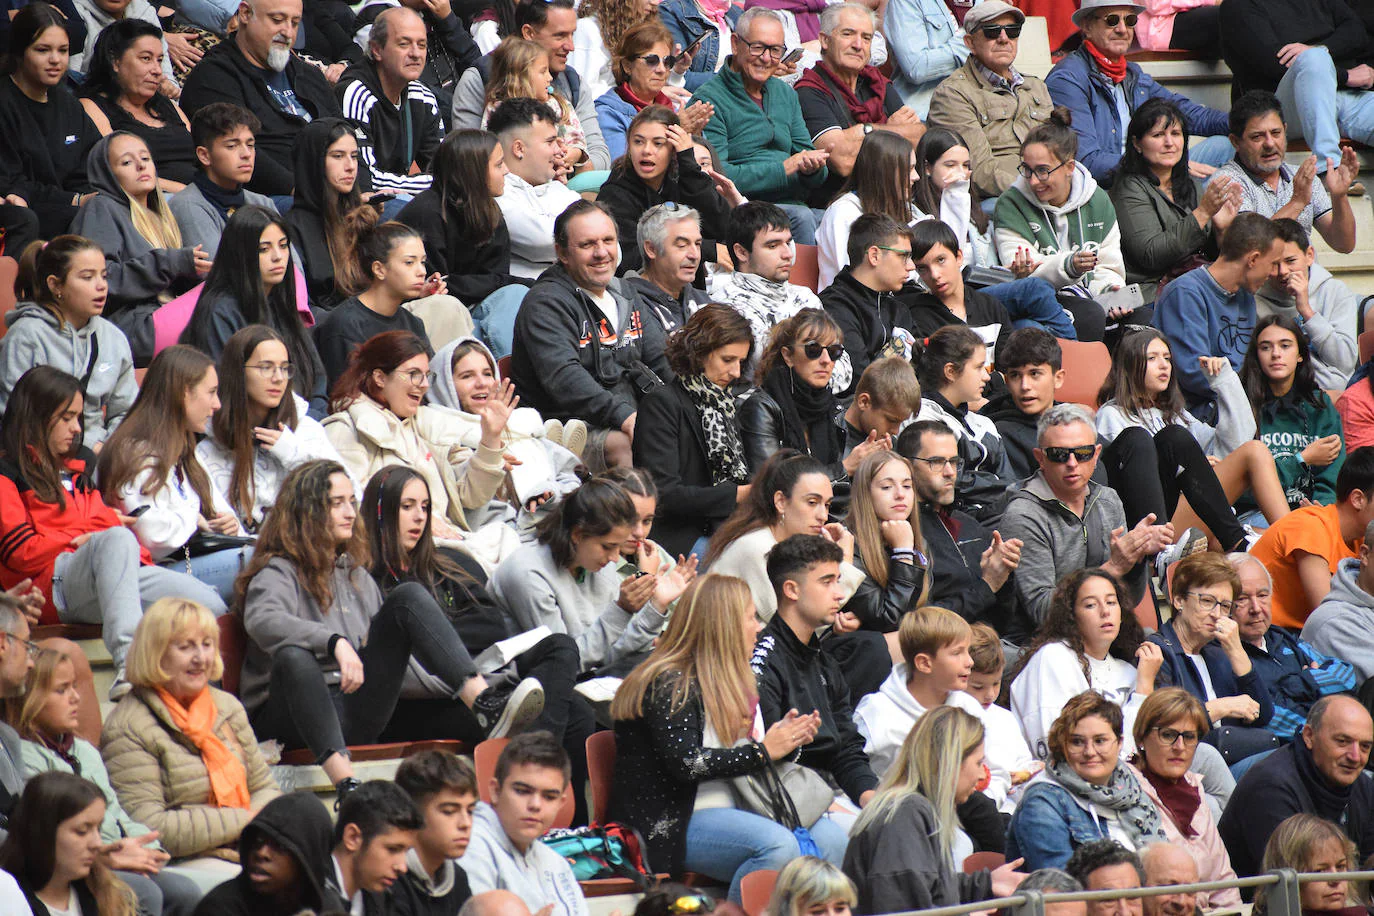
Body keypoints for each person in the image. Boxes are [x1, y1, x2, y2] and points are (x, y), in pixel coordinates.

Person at [238, 459, 541, 793]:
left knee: (407, 596)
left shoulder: (356, 576)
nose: (350, 512)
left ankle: (484, 705)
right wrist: (333, 641)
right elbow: (263, 620)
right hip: (292, 714)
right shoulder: (278, 571)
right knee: (295, 657)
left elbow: (393, 657)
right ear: (307, 511)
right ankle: (346, 785)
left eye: (351, 502)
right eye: (336, 503)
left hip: (355, 708)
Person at [610, 574, 848, 901]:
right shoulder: (669, 682)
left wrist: (787, 743)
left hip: (741, 806)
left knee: (836, 841)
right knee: (777, 846)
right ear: (723, 624)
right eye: (751, 617)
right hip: (671, 820)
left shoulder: (734, 680)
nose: (759, 627)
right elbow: (687, 763)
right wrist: (764, 751)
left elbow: (747, 757)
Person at [360, 464, 592, 789]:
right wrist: (441, 637)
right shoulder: (364, 578)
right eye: (407, 506)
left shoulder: (451, 565)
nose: (419, 517)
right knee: (572, 712)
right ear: (380, 511)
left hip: (484, 680)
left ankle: (559, 811)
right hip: (420, 704)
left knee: (563, 653)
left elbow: (491, 628)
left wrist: (437, 637)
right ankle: (537, 781)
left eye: (425, 507)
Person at [0, 366, 227, 698]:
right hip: (54, 585)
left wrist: (94, 536)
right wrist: (82, 536)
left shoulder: (79, 467)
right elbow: (21, 551)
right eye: (66, 418)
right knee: (117, 537)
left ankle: (204, 709)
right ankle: (129, 664)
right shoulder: (7, 474)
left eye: (78, 417)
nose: (77, 429)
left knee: (208, 605)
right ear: (37, 416)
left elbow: (107, 524)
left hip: (108, 570)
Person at [14, 646, 205, 916]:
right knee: (145, 893)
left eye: (75, 687)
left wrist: (147, 849)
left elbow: (117, 814)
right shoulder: (25, 756)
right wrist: (108, 854)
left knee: (186, 891)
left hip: (120, 855)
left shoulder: (86, 751)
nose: (75, 698)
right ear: (31, 699)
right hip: (80, 865)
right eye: (61, 690)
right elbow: (50, 835)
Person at [100, 597, 280, 860]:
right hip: (186, 860)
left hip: (247, 845)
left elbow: (265, 788)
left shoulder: (227, 706)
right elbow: (149, 827)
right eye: (185, 647)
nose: (200, 658)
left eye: (207, 645)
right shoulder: (128, 728)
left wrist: (250, 825)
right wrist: (246, 822)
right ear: (155, 654)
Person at [322, 331, 513, 560]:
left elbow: (471, 497)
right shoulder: (346, 429)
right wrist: (417, 519)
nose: (423, 385)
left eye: (426, 376)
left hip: (450, 542)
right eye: (413, 374)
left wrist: (490, 440)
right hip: (396, 554)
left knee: (512, 544)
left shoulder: (428, 424)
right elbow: (349, 506)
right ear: (380, 378)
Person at [1095, 329, 1288, 552]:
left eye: (1167, 358)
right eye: (1152, 358)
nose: (1164, 365)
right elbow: (1132, 483)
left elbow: (1236, 444)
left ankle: (1289, 533)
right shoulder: (1112, 415)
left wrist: (1223, 380)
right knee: (1178, 439)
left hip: (1190, 514)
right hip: (1148, 526)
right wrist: (1192, 470)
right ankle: (1272, 536)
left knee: (1254, 450)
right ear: (1129, 366)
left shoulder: (1176, 416)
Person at [999, 403, 1172, 638]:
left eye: (1082, 454)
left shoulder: (1108, 500)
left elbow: (1128, 600)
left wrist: (1136, 558)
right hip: (1043, 646)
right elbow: (1041, 612)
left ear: (1096, 454)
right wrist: (1113, 567)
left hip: (1100, 634)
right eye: (1059, 455)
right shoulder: (1023, 515)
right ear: (1040, 458)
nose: (1072, 463)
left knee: (1159, 648)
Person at [96, 346, 251, 606]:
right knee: (260, 562)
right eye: (211, 393)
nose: (217, 404)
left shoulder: (187, 451)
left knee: (278, 559)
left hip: (191, 562)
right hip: (153, 575)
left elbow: (222, 512)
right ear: (183, 393)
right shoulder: (132, 450)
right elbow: (151, 534)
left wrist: (229, 525)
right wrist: (194, 518)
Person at [491, 477, 695, 676]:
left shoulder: (596, 565)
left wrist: (656, 606)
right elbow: (564, 665)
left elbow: (610, 654)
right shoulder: (528, 574)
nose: (615, 558)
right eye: (608, 547)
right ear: (578, 535)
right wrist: (622, 610)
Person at [507, 200, 673, 434]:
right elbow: (565, 379)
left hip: (633, 414)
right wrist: (626, 419)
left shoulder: (626, 293)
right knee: (628, 444)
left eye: (608, 240)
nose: (601, 253)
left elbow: (663, 360)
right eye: (587, 244)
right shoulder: (545, 303)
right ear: (562, 253)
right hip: (569, 429)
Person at [844, 706, 1026, 911]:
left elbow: (929, 889)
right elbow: (904, 907)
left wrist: (987, 883)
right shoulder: (904, 817)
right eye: (978, 763)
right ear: (950, 763)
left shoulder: (913, 810)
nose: (983, 776)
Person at [1042, 0, 1229, 185]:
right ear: (1087, 26)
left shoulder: (1132, 74)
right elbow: (1087, 162)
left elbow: (1186, 112)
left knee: (1226, 145)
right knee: (1213, 185)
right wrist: (1159, 166)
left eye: (1130, 20)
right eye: (1112, 20)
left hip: (1148, 169)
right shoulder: (1068, 79)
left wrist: (1243, 122)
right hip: (1113, 187)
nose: (1122, 29)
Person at [753, 534, 881, 803]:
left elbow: (846, 746)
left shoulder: (824, 660)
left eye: (837, 580)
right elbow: (769, 758)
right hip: (785, 797)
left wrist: (869, 796)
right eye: (827, 582)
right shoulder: (762, 661)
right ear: (791, 590)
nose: (840, 593)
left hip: (830, 793)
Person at [689, 7, 829, 243]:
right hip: (744, 210)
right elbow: (719, 176)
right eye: (758, 47)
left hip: (793, 204)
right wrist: (783, 169)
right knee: (802, 218)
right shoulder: (709, 100)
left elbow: (813, 165)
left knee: (841, 220)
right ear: (735, 43)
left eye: (775, 50)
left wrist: (812, 167)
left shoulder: (786, 94)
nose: (766, 58)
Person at [179, 0, 345, 197]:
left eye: (294, 23)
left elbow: (345, 135)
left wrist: (362, 191)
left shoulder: (310, 74)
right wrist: (306, 193)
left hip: (335, 191)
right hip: (272, 199)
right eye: (277, 20)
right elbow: (237, 156)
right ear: (245, 13)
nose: (288, 33)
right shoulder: (212, 77)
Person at [71, 131, 212, 361]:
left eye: (145, 159)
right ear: (108, 174)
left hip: (163, 315)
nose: (140, 166)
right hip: (131, 328)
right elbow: (101, 280)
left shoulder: (161, 217)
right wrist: (169, 262)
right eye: (126, 162)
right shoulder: (101, 208)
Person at [395, 128, 532, 358]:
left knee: (515, 295)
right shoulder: (426, 213)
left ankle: (512, 379)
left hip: (475, 308)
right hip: (428, 318)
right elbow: (435, 287)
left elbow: (496, 279)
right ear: (474, 172)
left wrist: (489, 283)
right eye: (499, 165)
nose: (507, 171)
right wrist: (485, 283)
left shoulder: (488, 210)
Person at [179, 205, 328, 415]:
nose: (278, 257)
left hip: (301, 426)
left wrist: (317, 422)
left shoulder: (281, 302)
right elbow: (228, 395)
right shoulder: (219, 312)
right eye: (264, 249)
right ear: (241, 254)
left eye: (283, 246)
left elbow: (316, 377)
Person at [196, 325, 345, 533]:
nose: (278, 378)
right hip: (242, 558)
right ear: (238, 372)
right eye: (265, 367)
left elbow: (351, 497)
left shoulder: (305, 430)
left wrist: (294, 454)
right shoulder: (208, 449)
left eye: (284, 368)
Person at [633, 304, 752, 557]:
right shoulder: (662, 403)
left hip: (729, 528)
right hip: (682, 537)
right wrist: (739, 495)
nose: (736, 372)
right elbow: (663, 494)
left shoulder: (729, 402)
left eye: (741, 362)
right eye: (727, 360)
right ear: (698, 352)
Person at [0, 235, 138, 451]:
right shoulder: (26, 336)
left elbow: (126, 411)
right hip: (42, 456)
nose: (101, 286)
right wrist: (83, 452)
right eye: (87, 277)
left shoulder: (113, 337)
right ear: (56, 285)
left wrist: (109, 450)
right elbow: (15, 416)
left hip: (104, 454)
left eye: (103, 276)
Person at [1009, 568, 1159, 760]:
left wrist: (1144, 686)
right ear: (1072, 616)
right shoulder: (1053, 658)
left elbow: (1145, 750)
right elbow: (1055, 751)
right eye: (1090, 605)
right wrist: (1143, 690)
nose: (1105, 612)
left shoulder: (1131, 672)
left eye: (1111, 602)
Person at [1007, 691, 1168, 870]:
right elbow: (1061, 886)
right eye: (1077, 742)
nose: (1089, 752)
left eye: (1100, 741)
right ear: (1063, 745)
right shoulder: (1042, 802)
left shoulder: (1131, 787)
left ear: (1120, 742)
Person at [1217, 0, 1374, 183]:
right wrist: (1344, 75)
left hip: (1344, 98)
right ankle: (1330, 167)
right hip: (1281, 108)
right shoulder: (1237, 6)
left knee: (1315, 56)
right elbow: (1272, 64)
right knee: (1312, 58)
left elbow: (1358, 33)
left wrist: (1322, 49)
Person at [1218, 695, 1374, 877]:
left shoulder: (1363, 786)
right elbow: (1296, 885)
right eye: (1342, 741)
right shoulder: (1270, 787)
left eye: (1365, 746)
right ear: (1309, 736)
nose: (1355, 757)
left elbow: (1367, 871)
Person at [450, 0, 611, 173]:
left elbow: (600, 156)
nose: (571, 46)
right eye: (560, 36)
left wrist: (571, 160)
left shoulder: (573, 83)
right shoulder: (480, 80)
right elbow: (468, 159)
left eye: (572, 35)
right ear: (528, 33)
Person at [1110, 98, 1242, 305]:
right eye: (1158, 135)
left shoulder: (1188, 183)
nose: (1169, 143)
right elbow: (1151, 254)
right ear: (1137, 144)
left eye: (1176, 134)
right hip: (1153, 294)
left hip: (1195, 283)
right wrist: (1203, 213)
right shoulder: (1129, 188)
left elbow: (1210, 255)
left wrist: (1223, 230)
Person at [992, 110, 1128, 309]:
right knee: (1091, 313)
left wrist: (1110, 294)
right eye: (1027, 169)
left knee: (1142, 317)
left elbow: (1109, 266)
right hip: (1042, 302)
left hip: (1091, 300)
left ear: (1070, 167)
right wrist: (1068, 266)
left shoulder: (1097, 200)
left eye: (1042, 170)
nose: (1033, 180)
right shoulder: (1011, 203)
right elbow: (1026, 272)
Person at [1152, 212, 1284, 410]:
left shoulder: (1244, 296)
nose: (1275, 273)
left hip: (1238, 403)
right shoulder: (1185, 293)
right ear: (1253, 259)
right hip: (1195, 412)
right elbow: (1195, 374)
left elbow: (1248, 364)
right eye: (1273, 263)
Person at [900, 420, 1020, 629]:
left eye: (954, 461)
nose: (950, 472)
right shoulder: (902, 533)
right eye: (936, 462)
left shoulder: (969, 525)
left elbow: (1004, 620)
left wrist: (1004, 577)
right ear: (906, 467)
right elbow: (918, 623)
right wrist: (987, 586)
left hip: (991, 645)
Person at [795, 2, 924, 196]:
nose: (858, 45)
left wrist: (866, 131)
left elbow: (919, 137)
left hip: (894, 196)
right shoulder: (809, 91)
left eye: (866, 38)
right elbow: (842, 161)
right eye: (848, 34)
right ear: (824, 40)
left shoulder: (876, 81)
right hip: (840, 201)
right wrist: (891, 133)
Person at [927, 0, 1052, 200]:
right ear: (969, 43)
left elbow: (1058, 152)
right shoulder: (953, 94)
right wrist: (1038, 189)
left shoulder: (1036, 86)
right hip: (994, 200)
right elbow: (979, 172)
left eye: (1012, 31)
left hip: (1045, 190)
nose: (1004, 39)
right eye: (992, 31)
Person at [1128, 689, 1241, 908]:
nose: (1179, 747)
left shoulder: (1194, 788)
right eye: (1168, 735)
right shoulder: (1126, 790)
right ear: (1141, 737)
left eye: (1189, 737)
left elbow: (1223, 879)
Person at [599, 107, 739, 281]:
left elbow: (721, 226)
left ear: (673, 149)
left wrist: (688, 163)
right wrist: (704, 249)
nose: (646, 150)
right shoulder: (615, 193)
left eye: (658, 143)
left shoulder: (681, 180)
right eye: (638, 142)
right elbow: (630, 259)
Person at [456, 732, 589, 916]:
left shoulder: (556, 863)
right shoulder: (467, 846)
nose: (535, 805)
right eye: (522, 791)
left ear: (561, 803)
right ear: (495, 791)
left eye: (549, 797)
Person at [1227, 553, 1355, 741]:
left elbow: (1346, 675)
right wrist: (1324, 732)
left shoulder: (1282, 637)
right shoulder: (1228, 655)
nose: (1256, 608)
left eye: (1262, 596)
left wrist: (1292, 685)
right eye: (1242, 598)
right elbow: (1268, 717)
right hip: (1295, 750)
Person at [715, 206, 844, 389]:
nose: (788, 254)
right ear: (741, 252)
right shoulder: (727, 305)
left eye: (788, 243)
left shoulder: (805, 296)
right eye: (773, 246)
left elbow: (844, 367)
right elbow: (767, 371)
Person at [1212, 92, 1357, 254]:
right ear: (1235, 142)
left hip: (1304, 277)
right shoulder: (1227, 181)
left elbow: (1344, 244)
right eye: (1257, 137)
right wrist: (1297, 202)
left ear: (1285, 130)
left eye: (1276, 133)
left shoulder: (1303, 177)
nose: (1269, 143)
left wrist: (1339, 196)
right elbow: (1249, 248)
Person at [0, 3, 101, 237]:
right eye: (43, 50)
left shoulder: (68, 104)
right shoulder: (5, 103)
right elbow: (11, 182)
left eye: (63, 50)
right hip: (27, 212)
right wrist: (76, 200)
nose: (55, 60)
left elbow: (93, 161)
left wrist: (90, 197)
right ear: (19, 51)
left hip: (77, 207)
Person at [1249, 446, 1374, 630]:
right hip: (1270, 638)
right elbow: (1330, 616)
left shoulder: (1360, 540)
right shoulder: (1312, 527)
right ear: (1357, 499)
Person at [853, 606, 984, 777]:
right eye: (957, 653)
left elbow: (993, 770)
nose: (970, 662)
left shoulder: (969, 708)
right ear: (924, 663)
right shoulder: (876, 712)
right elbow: (852, 776)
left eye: (968, 651)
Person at [737, 310, 866, 479]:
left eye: (834, 351)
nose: (826, 360)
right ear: (788, 355)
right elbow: (770, 484)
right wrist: (844, 469)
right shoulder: (761, 407)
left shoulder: (832, 408)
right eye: (813, 349)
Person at [1239, 314, 1346, 510]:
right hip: (1256, 514)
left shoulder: (1319, 406)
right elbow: (1241, 489)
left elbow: (1333, 478)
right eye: (1265, 347)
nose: (1276, 354)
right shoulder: (1242, 405)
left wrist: (1320, 508)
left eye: (1285, 345)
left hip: (1312, 513)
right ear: (1257, 356)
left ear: (1300, 355)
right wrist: (1302, 459)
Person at [338, 7, 446, 199]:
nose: (415, 53)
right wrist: (432, 183)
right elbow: (363, 177)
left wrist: (445, 182)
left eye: (422, 45)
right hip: (363, 204)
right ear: (376, 50)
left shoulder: (423, 97)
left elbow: (445, 166)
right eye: (404, 44)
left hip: (402, 195)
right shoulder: (355, 93)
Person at [312, 221, 435, 386]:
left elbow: (429, 381)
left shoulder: (413, 323)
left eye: (422, 262)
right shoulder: (346, 324)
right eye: (409, 262)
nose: (422, 271)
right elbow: (347, 392)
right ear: (379, 269)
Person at [911, 326, 1014, 524]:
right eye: (978, 367)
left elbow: (1008, 480)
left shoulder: (984, 423)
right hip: (952, 523)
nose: (986, 376)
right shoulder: (923, 420)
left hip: (999, 513)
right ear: (950, 371)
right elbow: (949, 480)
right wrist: (1009, 491)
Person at [78, 20, 195, 190]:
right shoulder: (92, 107)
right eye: (146, 58)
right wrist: (189, 194)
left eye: (159, 60)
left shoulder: (167, 105)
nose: (157, 70)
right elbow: (117, 173)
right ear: (115, 61)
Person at [0, 771, 137, 916]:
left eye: (98, 828)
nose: (97, 843)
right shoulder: (9, 899)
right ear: (42, 832)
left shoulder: (105, 895)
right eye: (82, 831)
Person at [190, 792, 345, 916]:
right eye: (257, 842)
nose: (261, 853)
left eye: (280, 846)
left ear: (307, 857)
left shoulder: (327, 906)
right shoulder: (220, 907)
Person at [284, 118, 380, 312]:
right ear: (315, 161)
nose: (350, 166)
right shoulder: (293, 228)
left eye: (354, 156)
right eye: (338, 156)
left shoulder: (360, 216)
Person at [1255, 220, 1359, 391]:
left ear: (1309, 255)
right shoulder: (1256, 300)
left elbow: (1345, 363)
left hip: (1331, 395)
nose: (1283, 272)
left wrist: (1306, 311)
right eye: (1274, 264)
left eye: (1290, 261)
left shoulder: (1335, 292)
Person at [814, 130, 922, 292]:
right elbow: (853, 278)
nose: (916, 176)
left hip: (894, 306)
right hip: (849, 310)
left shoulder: (905, 210)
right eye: (910, 168)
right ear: (885, 172)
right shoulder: (843, 213)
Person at [840, 449, 932, 637]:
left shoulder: (917, 541)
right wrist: (903, 554)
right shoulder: (847, 543)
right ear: (865, 493)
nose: (900, 494)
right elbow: (888, 619)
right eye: (886, 487)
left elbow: (921, 612)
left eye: (907, 486)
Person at [593, 21, 713, 163]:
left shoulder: (674, 108)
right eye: (651, 60)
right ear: (627, 66)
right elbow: (621, 170)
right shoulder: (608, 113)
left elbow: (702, 169)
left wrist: (695, 137)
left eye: (667, 61)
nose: (662, 69)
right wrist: (675, 132)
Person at [169, 104, 280, 257]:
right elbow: (215, 272)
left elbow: (294, 268)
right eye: (232, 146)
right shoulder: (187, 205)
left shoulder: (263, 203)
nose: (246, 154)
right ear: (204, 155)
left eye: (250, 145)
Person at [820, 214, 919, 386]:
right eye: (904, 256)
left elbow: (925, 366)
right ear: (874, 256)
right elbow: (860, 379)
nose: (911, 266)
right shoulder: (834, 307)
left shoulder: (899, 309)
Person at [908, 223, 1017, 373]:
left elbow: (1010, 370)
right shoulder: (918, 318)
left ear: (959, 257)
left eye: (940, 260)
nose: (934, 274)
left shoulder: (991, 307)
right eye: (922, 268)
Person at [481, 38, 590, 175]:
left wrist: (572, 154)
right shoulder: (498, 110)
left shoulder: (558, 105)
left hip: (561, 179)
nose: (550, 77)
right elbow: (490, 149)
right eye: (543, 71)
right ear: (520, 77)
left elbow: (577, 139)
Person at [965, 624, 1040, 813]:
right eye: (978, 687)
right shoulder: (953, 721)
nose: (990, 694)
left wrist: (1030, 769)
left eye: (996, 684)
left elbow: (1022, 760)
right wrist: (1005, 779)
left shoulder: (1005, 718)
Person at [392, 751, 477, 916]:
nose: (465, 823)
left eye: (470, 811)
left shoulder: (458, 878)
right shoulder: (387, 880)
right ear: (412, 815)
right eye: (449, 811)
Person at [327, 781, 423, 914]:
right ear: (352, 837)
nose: (402, 867)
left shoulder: (382, 901)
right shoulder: (308, 898)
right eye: (393, 849)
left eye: (406, 851)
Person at [622, 203, 712, 333]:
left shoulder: (705, 301)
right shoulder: (631, 306)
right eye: (682, 245)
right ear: (651, 249)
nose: (695, 255)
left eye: (697, 244)